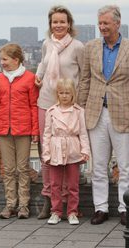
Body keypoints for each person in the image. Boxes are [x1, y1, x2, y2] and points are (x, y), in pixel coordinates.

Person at [77, 5, 129, 225]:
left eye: (105, 23)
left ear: (118, 23)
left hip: (124, 113)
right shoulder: (90, 48)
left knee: (126, 165)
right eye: (99, 23)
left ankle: (126, 207)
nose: (102, 27)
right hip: (95, 113)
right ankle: (101, 208)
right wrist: (79, 110)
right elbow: (85, 81)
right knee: (99, 165)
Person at [35, 5, 84, 219]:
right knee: (47, 150)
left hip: (68, 104)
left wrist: (78, 102)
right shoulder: (47, 44)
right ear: (50, 24)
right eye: (55, 22)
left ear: (69, 24)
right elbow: (43, 65)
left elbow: (84, 75)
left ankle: (67, 200)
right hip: (46, 101)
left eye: (62, 21)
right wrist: (38, 76)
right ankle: (49, 198)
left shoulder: (78, 47)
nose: (58, 25)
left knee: (69, 150)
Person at [0, 43, 39, 219]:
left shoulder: (29, 78)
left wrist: (35, 130)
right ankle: (10, 204)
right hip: (4, 129)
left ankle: (24, 206)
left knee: (22, 168)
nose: (2, 62)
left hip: (23, 129)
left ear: (16, 59)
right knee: (8, 169)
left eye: (4, 59)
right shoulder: (0, 80)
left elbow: (34, 106)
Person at [42, 78, 90, 225]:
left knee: (73, 184)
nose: (64, 96)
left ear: (72, 94)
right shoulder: (51, 111)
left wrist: (85, 150)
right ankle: (55, 211)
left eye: (67, 93)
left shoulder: (78, 112)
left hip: (72, 148)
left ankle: (72, 212)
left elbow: (82, 133)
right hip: (56, 148)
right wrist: (46, 153)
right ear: (57, 94)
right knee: (55, 183)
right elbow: (47, 134)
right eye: (61, 93)